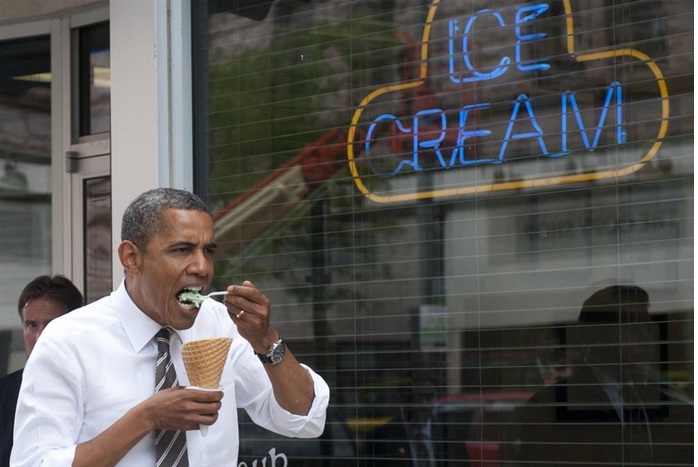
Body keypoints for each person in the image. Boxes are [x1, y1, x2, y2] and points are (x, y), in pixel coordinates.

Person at [11, 188, 330, 466]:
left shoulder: (218, 323)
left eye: (208, 251)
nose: (202, 268)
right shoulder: (67, 342)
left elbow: (305, 420)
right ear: (131, 258)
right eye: (182, 250)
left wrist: (266, 340)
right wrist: (146, 417)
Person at [505, 284, 693, 466]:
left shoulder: (668, 404)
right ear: (596, 334)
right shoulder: (550, 407)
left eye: (648, 326)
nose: (645, 337)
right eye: (631, 326)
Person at [0, 275, 84, 467]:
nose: (39, 337)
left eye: (50, 325)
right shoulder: (4, 393)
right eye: (31, 325)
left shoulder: (96, 386)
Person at [362, 376, 454, 467]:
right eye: (416, 398)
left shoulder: (447, 434)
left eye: (429, 397)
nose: (424, 405)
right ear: (402, 398)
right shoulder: (379, 439)